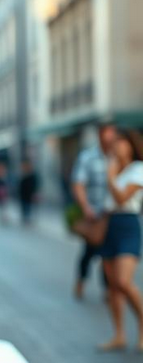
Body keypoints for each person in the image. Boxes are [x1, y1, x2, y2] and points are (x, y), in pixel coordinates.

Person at [98, 128, 143, 352]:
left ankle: (142, 328)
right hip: (110, 225)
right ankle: (119, 334)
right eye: (114, 143)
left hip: (128, 225)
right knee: (113, 287)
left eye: (121, 142)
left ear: (130, 145)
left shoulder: (138, 170)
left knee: (124, 282)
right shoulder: (113, 168)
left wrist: (110, 176)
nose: (116, 146)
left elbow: (122, 197)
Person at [71, 123, 117, 299]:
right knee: (90, 252)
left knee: (109, 253)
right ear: (100, 136)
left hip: (113, 215)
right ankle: (81, 280)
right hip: (95, 215)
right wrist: (86, 207)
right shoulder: (88, 157)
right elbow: (79, 184)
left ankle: (107, 288)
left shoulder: (118, 157)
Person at [18, 157, 39, 226]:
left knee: (29, 207)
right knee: (24, 208)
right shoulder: (23, 174)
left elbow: (34, 185)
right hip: (23, 195)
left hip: (29, 195)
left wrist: (35, 193)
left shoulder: (32, 175)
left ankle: (28, 219)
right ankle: (25, 219)